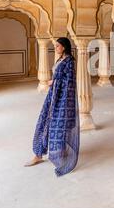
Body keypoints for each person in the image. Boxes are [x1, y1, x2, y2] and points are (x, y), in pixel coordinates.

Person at [25, 37, 80, 176]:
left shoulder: (70, 62)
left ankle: (58, 154)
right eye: (55, 46)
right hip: (52, 96)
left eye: (57, 46)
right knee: (44, 123)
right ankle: (38, 154)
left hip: (62, 100)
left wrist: (54, 83)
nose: (55, 48)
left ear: (64, 47)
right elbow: (58, 78)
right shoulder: (60, 59)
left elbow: (70, 83)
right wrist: (53, 83)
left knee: (58, 126)